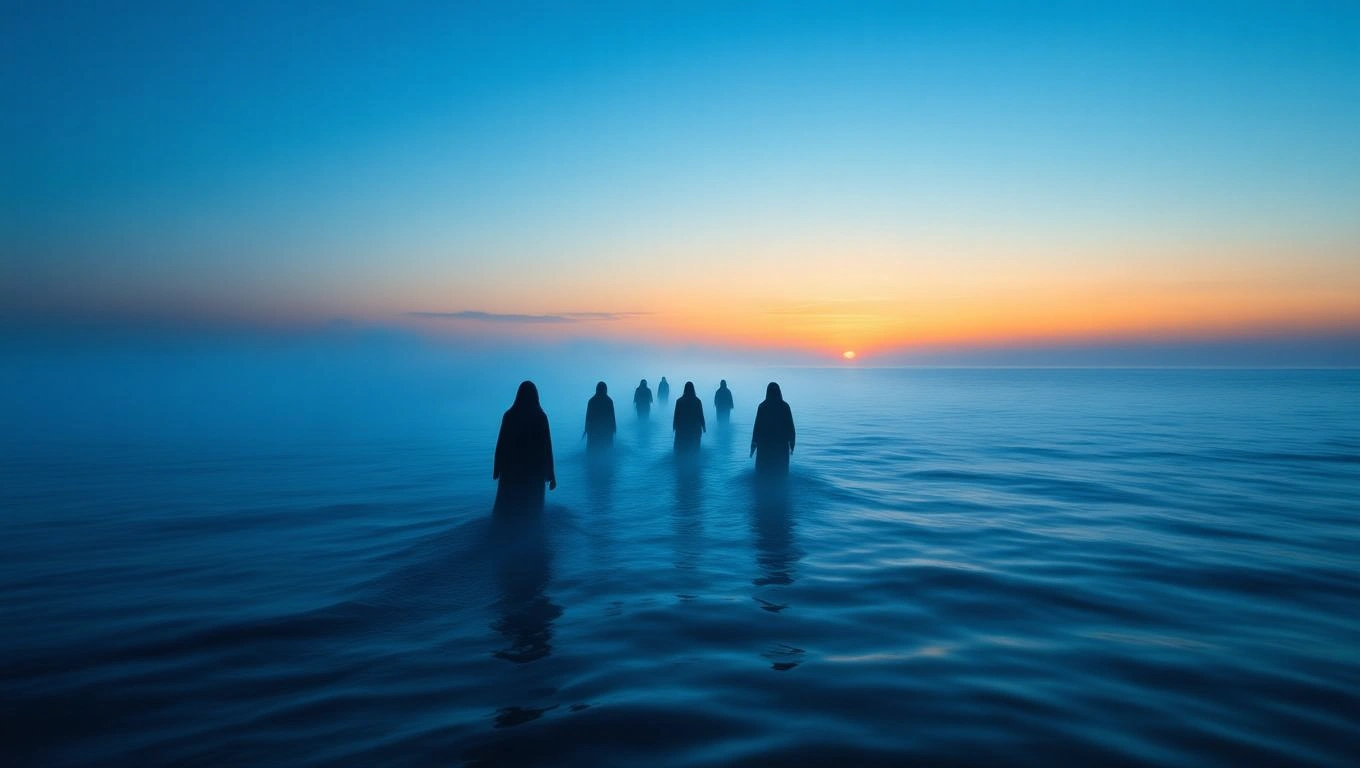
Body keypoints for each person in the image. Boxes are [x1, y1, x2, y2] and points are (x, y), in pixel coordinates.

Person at [493, 381, 556, 512]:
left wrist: (497, 468)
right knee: (533, 511)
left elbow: (501, 444)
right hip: (534, 472)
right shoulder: (540, 417)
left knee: (507, 509)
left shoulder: (509, 416)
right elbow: (547, 448)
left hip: (511, 471)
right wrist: (551, 475)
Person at [751, 382, 795, 476]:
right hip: (781, 446)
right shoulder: (785, 406)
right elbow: (790, 427)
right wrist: (792, 444)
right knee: (781, 473)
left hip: (765, 446)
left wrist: (753, 447)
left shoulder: (762, 406)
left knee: (763, 474)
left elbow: (757, 428)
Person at [672, 381, 706, 453]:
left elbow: (676, 415)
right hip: (695, 428)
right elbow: (701, 415)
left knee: (681, 448)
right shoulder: (697, 401)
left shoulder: (679, 401)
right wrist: (703, 426)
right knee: (695, 448)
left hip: (682, 428)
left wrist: (674, 426)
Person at [583, 381, 616, 450]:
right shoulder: (609, 401)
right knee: (607, 448)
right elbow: (612, 416)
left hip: (593, 430)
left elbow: (588, 417)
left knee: (593, 448)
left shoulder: (592, 401)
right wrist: (614, 427)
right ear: (605, 389)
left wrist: (586, 429)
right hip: (606, 429)